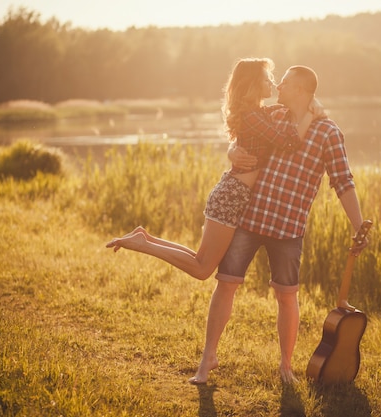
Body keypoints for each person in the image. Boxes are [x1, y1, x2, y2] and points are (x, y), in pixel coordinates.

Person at [189, 65, 367, 385]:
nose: (278, 87)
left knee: (286, 295)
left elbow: (343, 181)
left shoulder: (328, 132)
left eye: (283, 82)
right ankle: (206, 359)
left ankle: (286, 367)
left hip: (288, 227)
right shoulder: (273, 116)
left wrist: (359, 225)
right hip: (250, 217)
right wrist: (232, 152)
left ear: (300, 90)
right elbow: (242, 132)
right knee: (226, 283)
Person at [105, 58, 318, 280]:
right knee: (202, 269)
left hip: (234, 193)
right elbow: (289, 142)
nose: (273, 83)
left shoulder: (258, 112)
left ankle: (146, 238)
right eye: (267, 78)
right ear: (254, 83)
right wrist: (311, 115)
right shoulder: (252, 116)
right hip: (232, 195)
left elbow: (275, 118)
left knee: (201, 260)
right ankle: (143, 245)